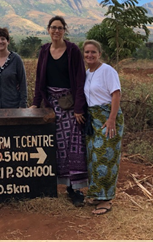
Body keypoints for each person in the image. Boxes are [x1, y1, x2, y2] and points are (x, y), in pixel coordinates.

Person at [30, 16, 88, 207]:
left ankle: (75, 189)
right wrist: (36, 103)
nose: (56, 31)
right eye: (53, 27)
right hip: (50, 105)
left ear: (65, 30)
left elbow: (80, 81)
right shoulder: (44, 50)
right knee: (53, 145)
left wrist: (79, 108)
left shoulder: (72, 50)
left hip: (70, 106)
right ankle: (53, 185)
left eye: (60, 28)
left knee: (73, 146)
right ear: (48, 30)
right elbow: (40, 79)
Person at [82, 40, 124, 215]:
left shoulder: (107, 70)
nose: (89, 55)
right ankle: (96, 194)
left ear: (99, 54)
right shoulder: (87, 73)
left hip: (108, 117)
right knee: (93, 156)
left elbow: (116, 94)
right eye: (86, 52)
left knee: (105, 157)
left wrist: (112, 118)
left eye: (93, 52)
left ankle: (106, 199)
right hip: (93, 120)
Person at [0, 27, 27, 108]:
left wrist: (23, 105)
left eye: (3, 39)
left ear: (8, 41)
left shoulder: (16, 59)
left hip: (12, 105)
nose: (0, 41)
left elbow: (23, 83)